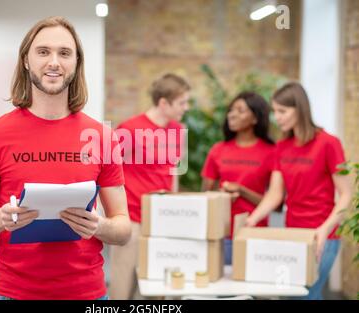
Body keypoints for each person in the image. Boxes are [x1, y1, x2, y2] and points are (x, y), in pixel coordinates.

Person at [0, 16, 131, 300]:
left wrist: (98, 226)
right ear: (26, 60)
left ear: (76, 63)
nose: (54, 62)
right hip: (14, 293)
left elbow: (123, 229)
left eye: (64, 53)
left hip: (87, 294)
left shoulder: (102, 137)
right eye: (43, 51)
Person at [246, 82, 352, 300]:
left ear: (300, 109)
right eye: (275, 111)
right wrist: (251, 220)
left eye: (282, 111)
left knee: (307, 295)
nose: (277, 117)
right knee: (293, 294)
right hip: (293, 232)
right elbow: (275, 194)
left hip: (323, 235)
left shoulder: (328, 143)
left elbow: (347, 195)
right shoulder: (282, 147)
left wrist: (324, 229)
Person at [109, 73, 191, 299]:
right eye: (182, 102)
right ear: (164, 103)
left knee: (156, 290)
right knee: (122, 288)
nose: (187, 107)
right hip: (133, 220)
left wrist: (174, 212)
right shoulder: (131, 129)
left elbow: (174, 173)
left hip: (163, 222)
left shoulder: (178, 130)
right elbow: (106, 171)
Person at [201, 92, 275, 264]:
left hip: (255, 234)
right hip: (221, 234)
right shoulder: (218, 150)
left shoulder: (271, 152)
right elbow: (204, 196)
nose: (232, 114)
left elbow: (276, 204)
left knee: (252, 290)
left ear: (255, 118)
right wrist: (222, 195)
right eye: (231, 110)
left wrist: (241, 191)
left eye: (240, 110)